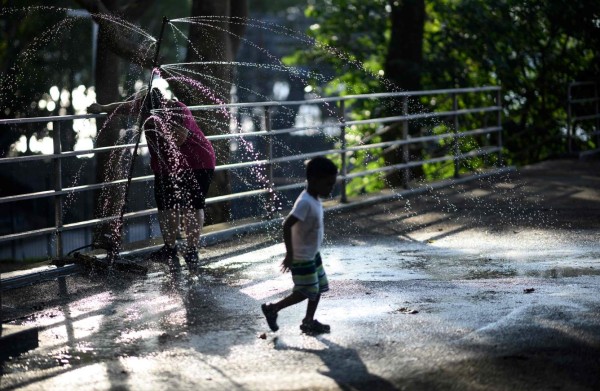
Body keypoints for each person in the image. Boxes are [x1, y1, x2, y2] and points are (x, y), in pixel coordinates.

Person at [87, 87, 216, 266]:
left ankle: (192, 250)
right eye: (144, 112)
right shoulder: (143, 107)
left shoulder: (179, 109)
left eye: (150, 112)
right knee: (165, 206)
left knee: (192, 206)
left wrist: (159, 123)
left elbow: (179, 138)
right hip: (166, 166)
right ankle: (169, 249)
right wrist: (102, 107)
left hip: (198, 161)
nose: (145, 115)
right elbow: (122, 107)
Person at [261, 156, 338, 334]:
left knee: (318, 286)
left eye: (332, 184)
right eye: (328, 184)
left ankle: (308, 321)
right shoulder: (305, 202)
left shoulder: (314, 198)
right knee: (306, 291)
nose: (331, 188)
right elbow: (287, 224)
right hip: (302, 256)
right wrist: (290, 254)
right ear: (313, 180)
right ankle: (273, 308)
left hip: (312, 254)